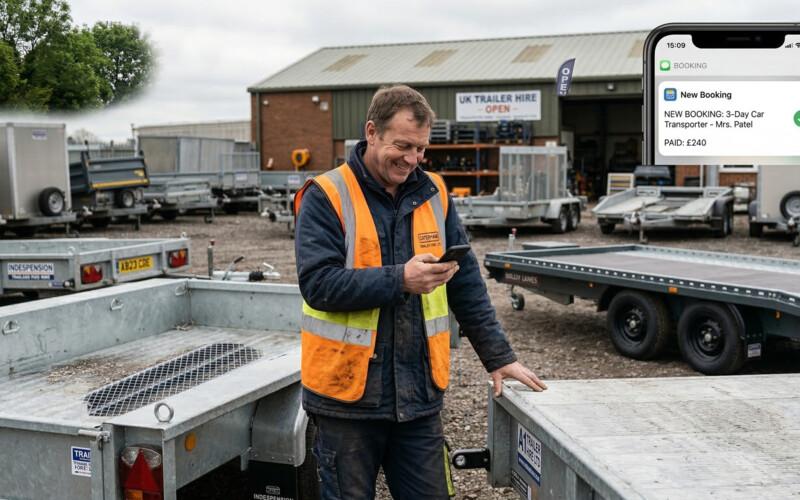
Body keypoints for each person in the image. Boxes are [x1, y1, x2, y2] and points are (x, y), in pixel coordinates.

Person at [294, 84, 546, 500]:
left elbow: (464, 283)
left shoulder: (434, 192)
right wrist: (400, 280)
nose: (413, 160)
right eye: (403, 146)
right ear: (371, 132)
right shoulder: (326, 195)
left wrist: (499, 358)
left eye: (421, 149)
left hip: (417, 399)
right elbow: (318, 285)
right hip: (346, 401)